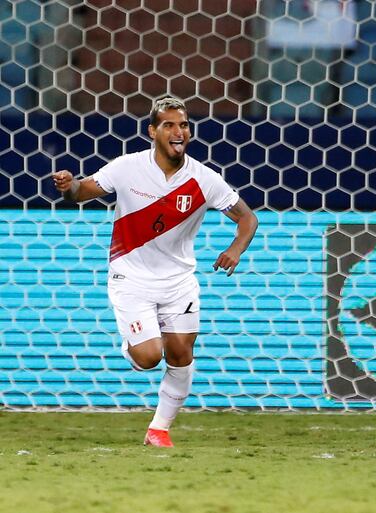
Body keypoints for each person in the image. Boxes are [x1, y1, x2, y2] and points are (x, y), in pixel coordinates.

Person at [53, 97, 258, 446]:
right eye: (169, 125)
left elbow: (248, 218)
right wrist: (68, 185)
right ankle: (135, 344)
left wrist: (235, 249)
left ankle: (159, 429)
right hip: (131, 277)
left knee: (181, 354)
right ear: (153, 131)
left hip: (178, 283)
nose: (178, 132)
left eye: (183, 125)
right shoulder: (127, 167)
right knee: (149, 357)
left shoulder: (204, 180)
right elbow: (80, 193)